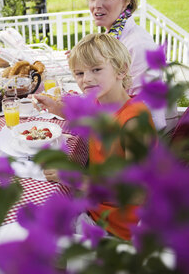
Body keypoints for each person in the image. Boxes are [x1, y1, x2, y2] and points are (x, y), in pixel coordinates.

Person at [40, 34, 155, 240]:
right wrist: (55, 107)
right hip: (94, 210)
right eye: (79, 73)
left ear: (121, 70)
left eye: (96, 70)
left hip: (118, 230)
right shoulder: (99, 103)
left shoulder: (134, 122)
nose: (86, 79)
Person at [37, 0, 170, 130]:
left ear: (126, 0)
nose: (96, 5)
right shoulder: (112, 35)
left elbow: (151, 117)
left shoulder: (139, 45)